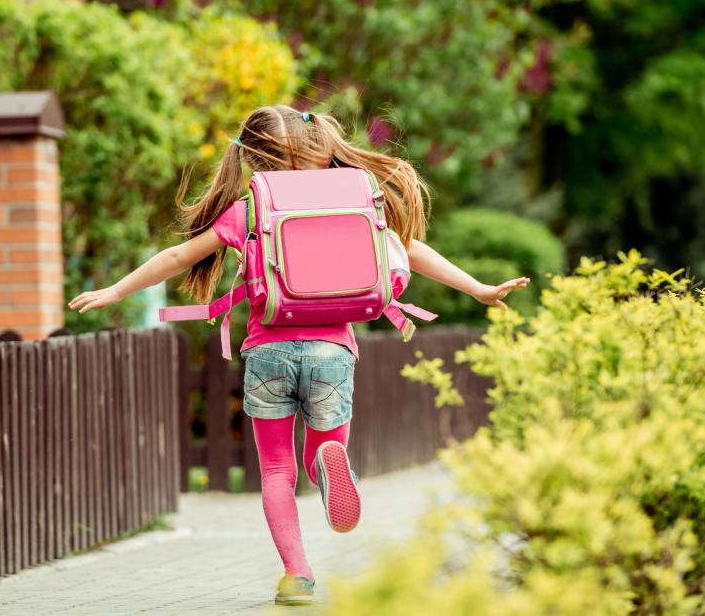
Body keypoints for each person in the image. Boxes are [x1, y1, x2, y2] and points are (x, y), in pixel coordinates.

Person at [68, 105, 530, 606]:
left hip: (269, 349)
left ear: (256, 164)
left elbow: (180, 256)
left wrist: (116, 290)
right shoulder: (356, 200)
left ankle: (298, 574)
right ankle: (329, 464)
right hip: (333, 350)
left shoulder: (248, 209)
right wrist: (478, 288)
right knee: (321, 452)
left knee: (274, 471)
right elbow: (410, 248)